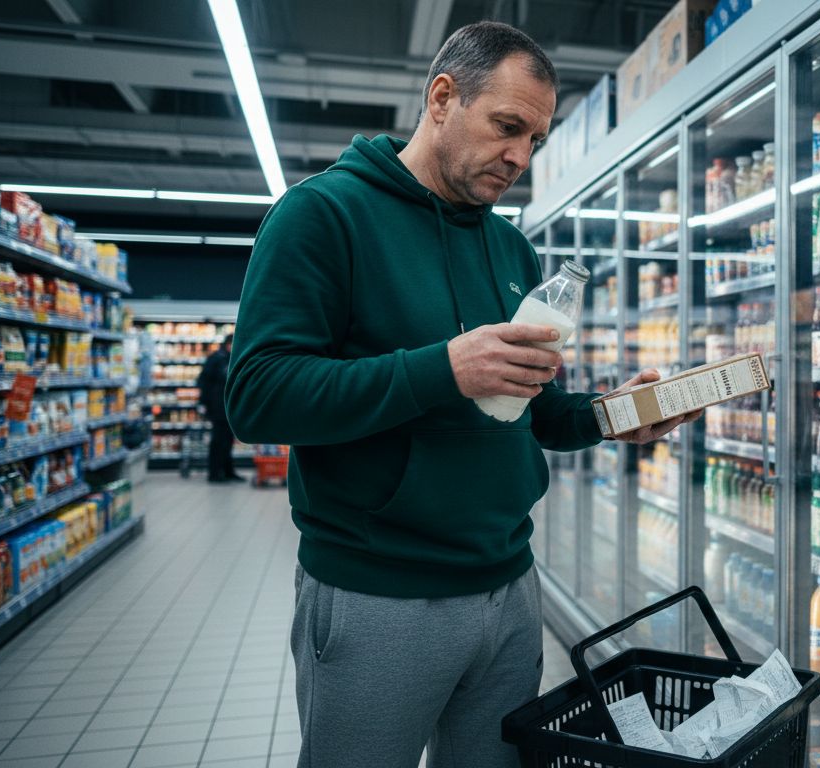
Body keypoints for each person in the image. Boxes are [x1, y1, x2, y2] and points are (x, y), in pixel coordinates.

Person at [225, 22, 699, 768]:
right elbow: (257, 396)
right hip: (379, 593)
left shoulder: (511, 248)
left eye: (535, 140)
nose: (521, 157)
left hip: (510, 588)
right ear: (443, 98)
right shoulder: (323, 215)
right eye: (507, 127)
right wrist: (442, 369)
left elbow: (531, 409)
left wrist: (615, 415)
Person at [197, 333, 242, 483]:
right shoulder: (216, 359)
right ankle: (214, 473)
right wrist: (204, 404)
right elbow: (203, 382)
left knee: (228, 440)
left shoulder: (231, 358)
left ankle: (228, 472)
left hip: (229, 407)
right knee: (217, 441)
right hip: (217, 408)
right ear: (229, 344)